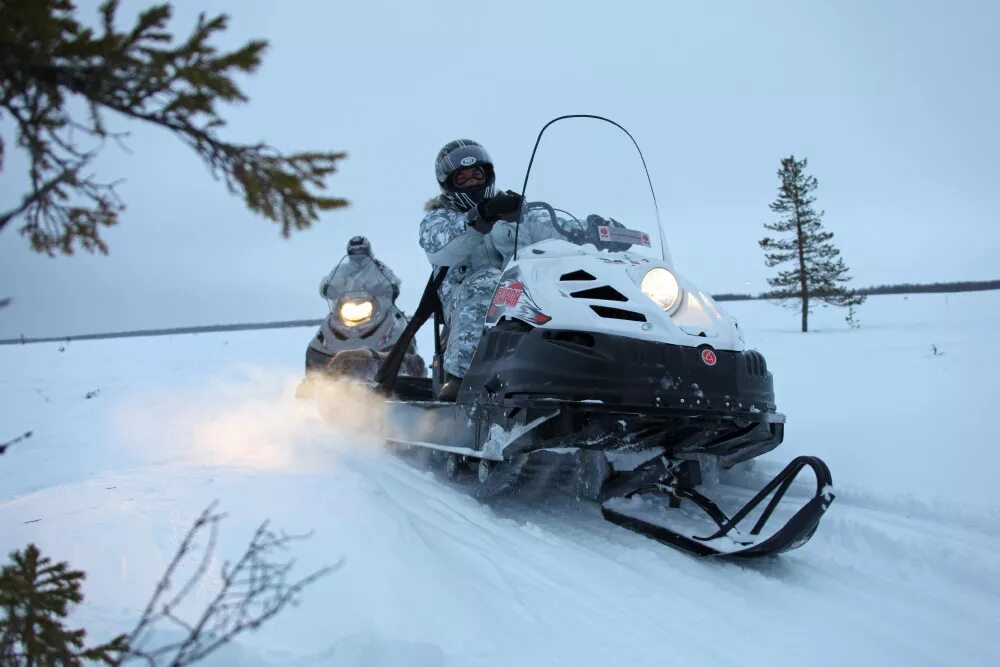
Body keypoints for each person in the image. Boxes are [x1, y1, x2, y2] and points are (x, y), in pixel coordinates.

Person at [419, 140, 523, 400]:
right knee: (488, 281)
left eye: (477, 174)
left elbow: (552, 228)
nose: (472, 182)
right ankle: (461, 379)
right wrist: (480, 217)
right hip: (464, 307)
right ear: (449, 183)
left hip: (522, 300)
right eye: (462, 178)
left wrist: (591, 229)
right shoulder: (438, 220)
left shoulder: (512, 210)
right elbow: (442, 246)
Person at [319, 235, 401, 304]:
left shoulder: (378, 267)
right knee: (328, 321)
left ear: (368, 252)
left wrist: (392, 287)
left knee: (396, 317)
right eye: (354, 252)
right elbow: (329, 280)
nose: (358, 255)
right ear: (349, 253)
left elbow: (392, 279)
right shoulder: (341, 269)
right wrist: (327, 288)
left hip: (377, 307)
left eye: (361, 251)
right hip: (346, 308)